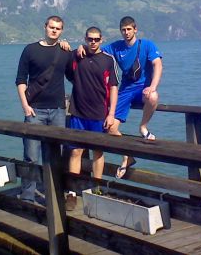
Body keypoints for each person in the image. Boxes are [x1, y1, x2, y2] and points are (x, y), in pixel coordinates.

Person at [81, 16, 163, 179]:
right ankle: (127, 156)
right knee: (110, 127)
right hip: (125, 90)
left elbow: (157, 65)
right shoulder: (116, 47)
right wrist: (82, 47)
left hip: (144, 89)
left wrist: (152, 86)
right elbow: (96, 49)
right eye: (123, 30)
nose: (126, 32)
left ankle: (143, 127)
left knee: (153, 97)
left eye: (129, 29)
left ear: (135, 29)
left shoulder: (147, 45)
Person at [15, 15, 71, 203]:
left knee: (54, 157)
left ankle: (53, 196)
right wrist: (25, 105)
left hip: (58, 111)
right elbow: (21, 80)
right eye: (51, 27)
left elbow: (75, 75)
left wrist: (77, 50)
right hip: (34, 111)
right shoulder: (30, 50)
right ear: (45, 27)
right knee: (31, 156)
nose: (54, 30)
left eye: (58, 28)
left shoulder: (64, 51)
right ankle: (27, 196)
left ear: (61, 31)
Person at [64, 27, 118, 209]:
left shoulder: (108, 60)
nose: (93, 42)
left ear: (101, 39)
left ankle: (97, 190)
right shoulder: (77, 55)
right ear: (85, 39)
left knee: (98, 153)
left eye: (96, 39)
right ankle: (72, 193)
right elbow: (63, 63)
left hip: (99, 114)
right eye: (90, 39)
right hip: (78, 113)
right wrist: (74, 48)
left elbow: (113, 87)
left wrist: (111, 113)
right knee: (75, 152)